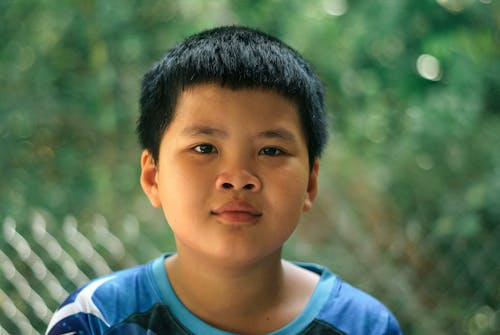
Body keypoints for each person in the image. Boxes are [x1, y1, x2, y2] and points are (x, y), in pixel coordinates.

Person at [45, 26, 402, 335]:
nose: (238, 178)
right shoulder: (98, 320)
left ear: (310, 183)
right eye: (204, 147)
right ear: (154, 177)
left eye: (271, 151)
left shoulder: (364, 326)